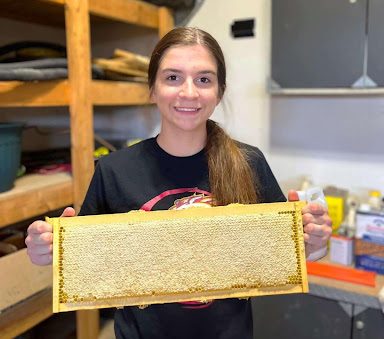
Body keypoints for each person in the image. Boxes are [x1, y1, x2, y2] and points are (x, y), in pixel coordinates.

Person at [26, 27, 332, 339]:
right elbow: (82, 267)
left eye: (204, 79)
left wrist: (314, 242)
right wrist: (49, 251)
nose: (189, 92)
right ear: (152, 88)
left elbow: (292, 254)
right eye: (173, 78)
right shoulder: (113, 169)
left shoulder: (249, 163)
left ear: (219, 91)